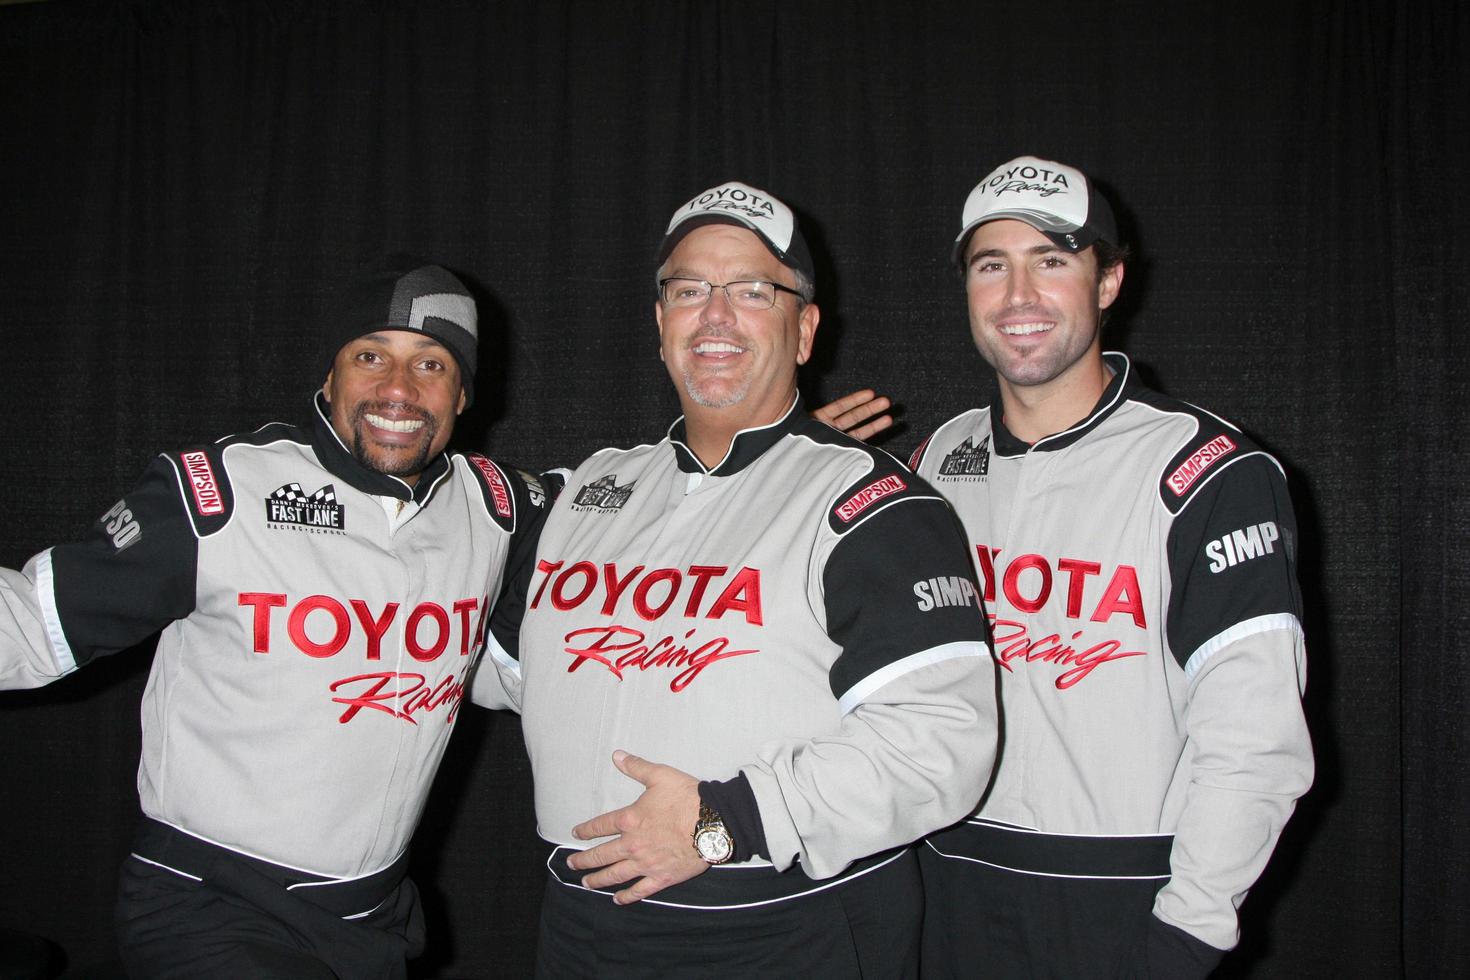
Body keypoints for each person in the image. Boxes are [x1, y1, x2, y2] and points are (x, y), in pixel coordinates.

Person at [471, 181, 997, 977]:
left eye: (754, 290)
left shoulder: (871, 505)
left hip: (788, 924)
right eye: (689, 290)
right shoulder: (588, 491)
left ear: (805, 328)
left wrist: (725, 819)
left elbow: (942, 749)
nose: (715, 315)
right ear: (659, 324)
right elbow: (498, 673)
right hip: (584, 928)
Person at [0, 257, 547, 979]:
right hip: (212, 908)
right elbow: (31, 626)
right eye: (370, 355)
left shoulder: (498, 508)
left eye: (433, 365)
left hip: (375, 918)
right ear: (328, 375)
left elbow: (512, 664)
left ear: (464, 393)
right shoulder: (220, 493)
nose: (397, 390)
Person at [908, 155, 1314, 978]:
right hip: (934, 885)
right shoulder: (934, 460)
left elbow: (1254, 742)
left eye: (1052, 260)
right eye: (993, 265)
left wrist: (1188, 931)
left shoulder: (1207, 472)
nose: (1019, 295)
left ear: (1109, 281)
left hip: (1119, 896)